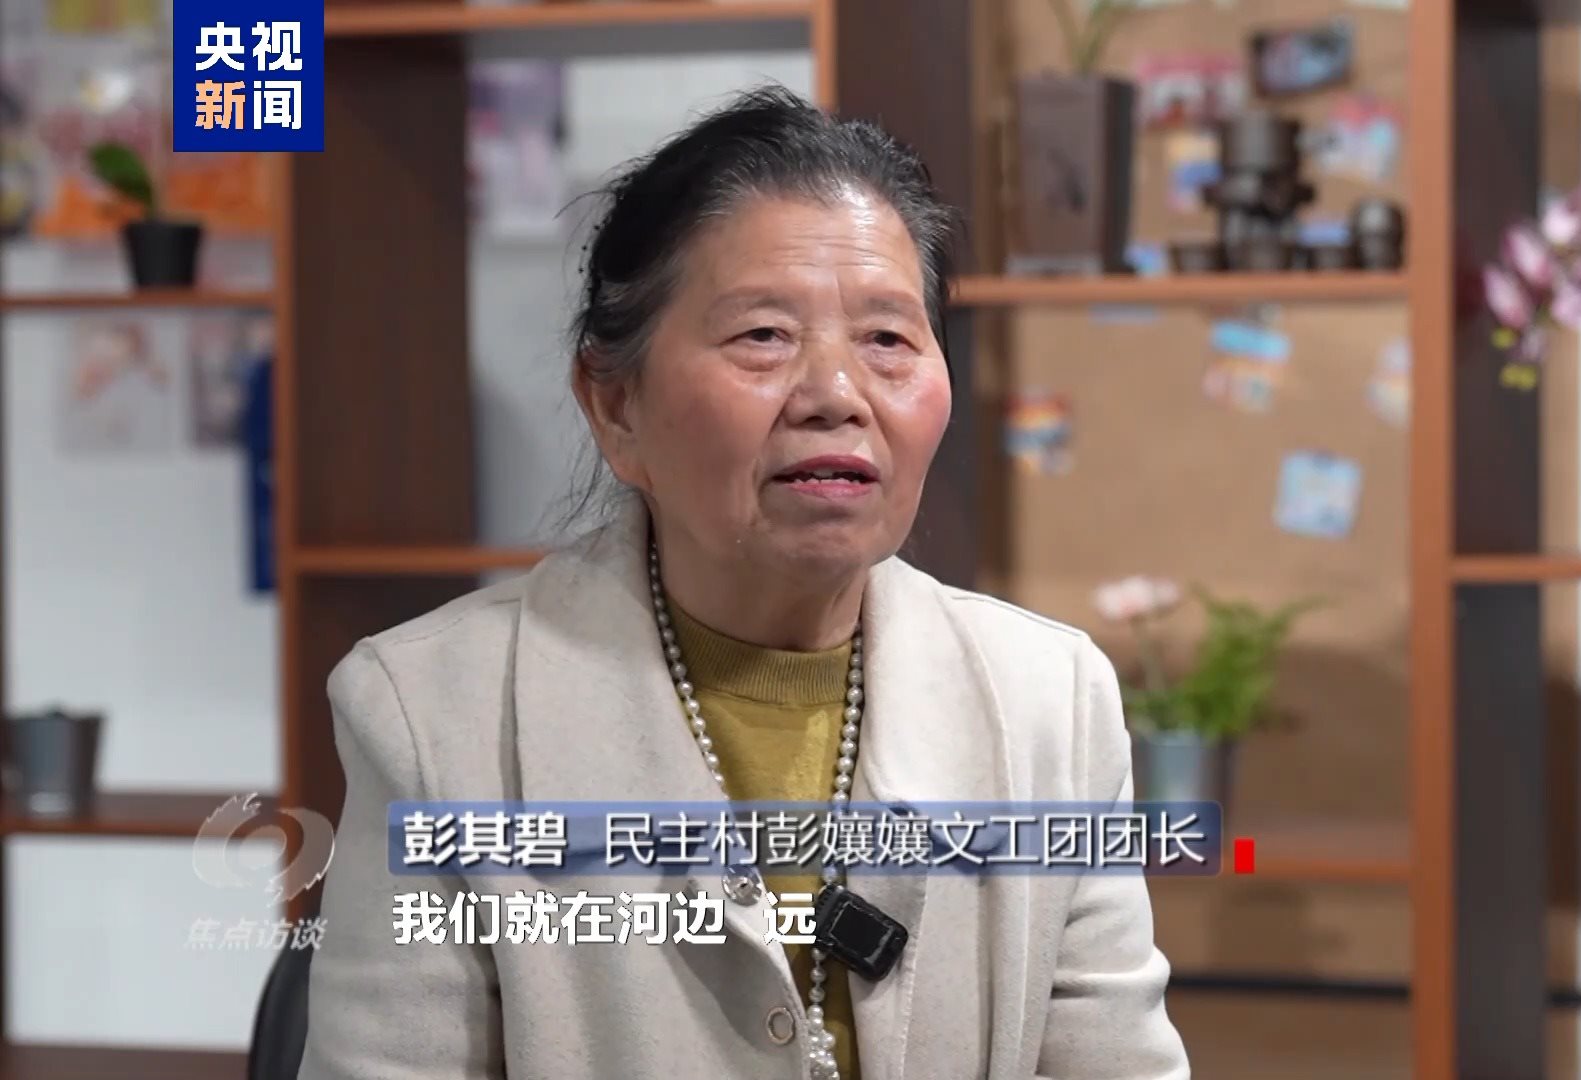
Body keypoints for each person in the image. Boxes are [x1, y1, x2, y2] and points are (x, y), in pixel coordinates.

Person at [299, 86, 1190, 1080]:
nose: (836, 395)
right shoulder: (430, 714)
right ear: (616, 404)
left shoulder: (1050, 700)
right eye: (763, 335)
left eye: (888, 339)